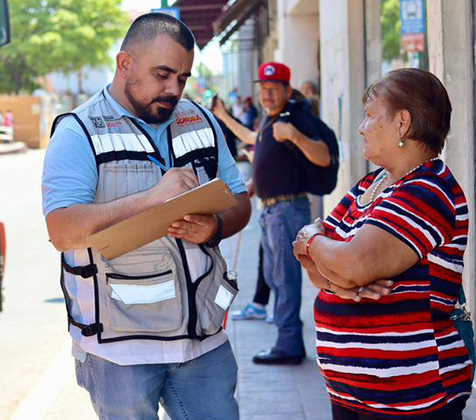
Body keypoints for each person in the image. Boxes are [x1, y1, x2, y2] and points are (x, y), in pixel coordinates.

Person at [42, 13, 252, 419]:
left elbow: (239, 202)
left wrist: (216, 227)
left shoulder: (201, 121)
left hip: (202, 341)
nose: (174, 89)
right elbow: (62, 230)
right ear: (125, 65)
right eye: (162, 75)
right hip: (121, 351)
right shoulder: (78, 131)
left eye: (183, 78)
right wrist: (151, 199)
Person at [293, 68, 473, 419]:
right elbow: (314, 266)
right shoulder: (370, 185)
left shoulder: (427, 190)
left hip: (410, 398)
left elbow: (352, 263)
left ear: (402, 123)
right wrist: (341, 283)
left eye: (371, 115)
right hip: (351, 392)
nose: (361, 127)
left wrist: (311, 238)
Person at [213, 61, 331, 365]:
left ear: (287, 90)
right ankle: (287, 339)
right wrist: (224, 116)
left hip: (287, 210)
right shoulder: (271, 120)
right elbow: (255, 141)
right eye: (263, 89)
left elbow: (323, 156)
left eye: (273, 89)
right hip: (272, 211)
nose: (266, 94)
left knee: (284, 278)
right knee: (275, 276)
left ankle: (289, 344)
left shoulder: (294, 118)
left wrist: (293, 135)